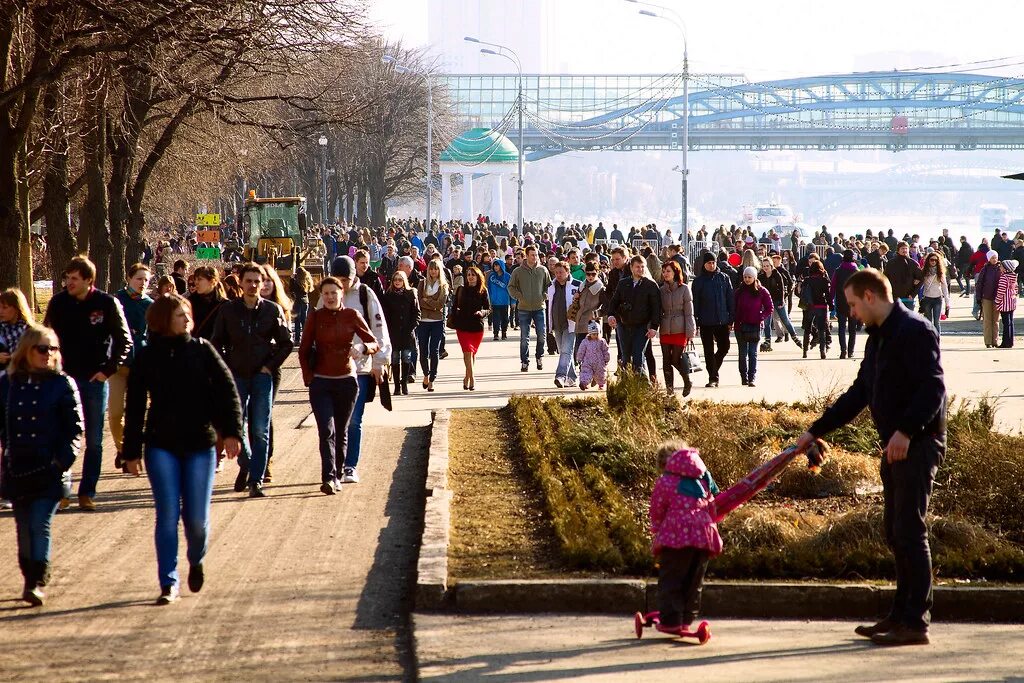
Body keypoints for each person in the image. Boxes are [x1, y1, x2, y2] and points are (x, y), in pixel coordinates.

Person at [796, 268, 945, 646]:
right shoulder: (876, 340)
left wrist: (907, 431)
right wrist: (816, 429)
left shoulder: (915, 330)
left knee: (910, 530)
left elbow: (933, 388)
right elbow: (859, 393)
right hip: (894, 446)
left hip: (918, 443)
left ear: (870, 296)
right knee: (894, 532)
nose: (851, 313)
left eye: (852, 304)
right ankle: (899, 615)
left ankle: (916, 622)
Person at [122, 295, 244, 605]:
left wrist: (231, 432)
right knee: (166, 515)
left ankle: (196, 556)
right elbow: (135, 406)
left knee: (196, 521)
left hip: (200, 445)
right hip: (161, 445)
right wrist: (131, 451)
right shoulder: (147, 357)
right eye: (179, 315)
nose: (186, 320)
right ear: (163, 320)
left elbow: (227, 391)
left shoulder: (202, 350)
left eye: (187, 314)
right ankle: (168, 582)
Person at [0, 326, 83, 606]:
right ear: (27, 350)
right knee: (23, 527)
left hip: (50, 470)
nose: (49, 354)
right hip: (17, 468)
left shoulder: (63, 384)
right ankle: (28, 577)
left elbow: (75, 429)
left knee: (40, 522)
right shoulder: (8, 384)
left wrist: (62, 461)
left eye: (54, 349)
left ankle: (37, 579)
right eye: (43, 348)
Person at [44, 256, 132, 511]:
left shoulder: (106, 304)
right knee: (61, 435)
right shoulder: (59, 303)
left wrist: (108, 370)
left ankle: (87, 492)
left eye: (74, 279)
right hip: (62, 380)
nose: (68, 283)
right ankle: (62, 491)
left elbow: (124, 341)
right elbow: (46, 335)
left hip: (94, 380)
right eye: (67, 278)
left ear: (88, 280)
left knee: (93, 440)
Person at [209, 263, 293, 498]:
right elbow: (216, 341)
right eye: (249, 281)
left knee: (260, 428)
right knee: (236, 425)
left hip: (261, 376)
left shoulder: (272, 310)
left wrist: (269, 366)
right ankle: (246, 462)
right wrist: (226, 365)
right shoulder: (228, 310)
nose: (254, 285)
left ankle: (256, 480)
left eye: (258, 281)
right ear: (241, 282)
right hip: (236, 375)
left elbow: (286, 344)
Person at [299, 277, 378, 495]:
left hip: (346, 381)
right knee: (326, 430)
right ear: (321, 296)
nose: (330, 297)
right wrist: (309, 377)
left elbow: (373, 342)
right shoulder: (315, 317)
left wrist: (362, 348)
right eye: (326, 294)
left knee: (342, 431)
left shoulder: (352, 315)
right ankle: (328, 478)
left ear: (341, 293)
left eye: (334, 293)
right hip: (321, 382)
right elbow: (304, 349)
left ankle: (338, 473)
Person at [649, 441, 722, 632]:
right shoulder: (703, 477)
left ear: (665, 464)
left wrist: (657, 529)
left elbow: (657, 508)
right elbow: (714, 499)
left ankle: (671, 620)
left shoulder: (665, 481)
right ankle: (687, 619)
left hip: (676, 535)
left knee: (671, 578)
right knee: (693, 580)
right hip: (704, 534)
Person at [110, 263, 154, 471]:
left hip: (142, 365)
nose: (143, 283)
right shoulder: (116, 301)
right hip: (118, 365)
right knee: (116, 413)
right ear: (129, 278)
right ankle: (122, 449)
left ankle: (132, 452)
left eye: (146, 280)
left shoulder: (150, 304)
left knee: (138, 413)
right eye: (139, 279)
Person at [607, 255, 662, 375]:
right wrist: (611, 315)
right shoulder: (623, 283)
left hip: (642, 326)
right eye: (637, 267)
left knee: (638, 355)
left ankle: (642, 385)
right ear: (631, 267)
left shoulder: (651, 285)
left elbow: (656, 308)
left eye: (642, 267)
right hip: (624, 324)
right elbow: (614, 302)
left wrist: (654, 327)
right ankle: (627, 384)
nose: (640, 269)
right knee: (626, 357)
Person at [691, 252, 734, 388]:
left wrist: (731, 319)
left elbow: (730, 299)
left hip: (722, 320)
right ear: (704, 264)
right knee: (708, 350)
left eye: (713, 262)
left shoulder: (724, 278)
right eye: (709, 263)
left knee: (725, 347)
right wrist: (695, 322)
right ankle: (713, 377)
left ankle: (713, 366)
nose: (712, 265)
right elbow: (695, 303)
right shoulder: (699, 281)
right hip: (705, 321)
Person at [507, 245, 552, 373]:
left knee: (541, 335)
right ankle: (524, 361)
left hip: (539, 307)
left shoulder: (543, 270)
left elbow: (548, 286)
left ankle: (539, 356)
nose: (535, 257)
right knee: (524, 337)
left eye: (536, 254)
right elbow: (511, 287)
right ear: (526, 256)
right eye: (532, 255)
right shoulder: (518, 271)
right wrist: (519, 297)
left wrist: (544, 295)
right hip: (524, 309)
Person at [449, 266, 490, 391]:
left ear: (478, 277)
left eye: (473, 275)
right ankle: (472, 378)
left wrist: (481, 312)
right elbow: (454, 305)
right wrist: (456, 313)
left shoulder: (483, 291)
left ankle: (466, 377)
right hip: (462, 325)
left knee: (472, 353)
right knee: (467, 351)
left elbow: (488, 308)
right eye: (468, 275)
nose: (470, 277)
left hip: (476, 326)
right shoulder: (461, 289)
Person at [732, 267, 774, 387]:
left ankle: (752, 377)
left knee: (752, 353)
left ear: (754, 278)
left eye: (749, 277)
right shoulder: (739, 291)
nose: (747, 279)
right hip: (740, 326)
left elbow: (769, 307)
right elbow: (733, 308)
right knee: (742, 353)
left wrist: (761, 316)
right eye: (745, 277)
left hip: (755, 326)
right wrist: (733, 321)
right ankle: (743, 377)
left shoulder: (762, 291)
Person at [659, 261, 695, 396]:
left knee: (675, 359)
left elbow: (689, 312)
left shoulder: (684, 289)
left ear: (675, 272)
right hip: (665, 327)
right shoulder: (661, 290)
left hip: (680, 328)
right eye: (664, 271)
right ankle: (669, 391)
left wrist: (690, 331)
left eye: (668, 271)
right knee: (666, 360)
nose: (665, 274)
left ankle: (687, 381)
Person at [381, 271, 420, 395]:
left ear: (404, 281)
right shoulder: (388, 295)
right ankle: (397, 385)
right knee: (395, 357)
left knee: (406, 356)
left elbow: (416, 313)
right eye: (395, 279)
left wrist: (412, 327)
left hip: (407, 331)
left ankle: (404, 384)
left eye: (400, 279)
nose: (397, 282)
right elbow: (385, 315)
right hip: (394, 332)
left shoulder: (410, 294)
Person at [546, 261, 581, 388]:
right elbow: (549, 306)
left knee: (566, 351)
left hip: (570, 324)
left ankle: (560, 376)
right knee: (564, 352)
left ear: (567, 272)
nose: (558, 275)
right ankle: (571, 378)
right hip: (557, 324)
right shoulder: (551, 286)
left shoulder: (577, 285)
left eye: (561, 272)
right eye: (556, 272)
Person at [416, 260, 449, 392]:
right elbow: (418, 301)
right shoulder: (422, 283)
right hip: (423, 321)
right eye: (431, 269)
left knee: (434, 350)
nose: (433, 271)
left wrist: (427, 301)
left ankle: (432, 379)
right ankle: (426, 374)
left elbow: (440, 304)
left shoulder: (443, 286)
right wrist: (431, 303)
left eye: (436, 269)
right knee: (423, 350)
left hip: (437, 321)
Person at [759, 260, 800, 352]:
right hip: (766, 303)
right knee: (767, 323)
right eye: (764, 266)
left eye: (767, 266)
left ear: (771, 265)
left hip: (777, 301)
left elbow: (782, 288)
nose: (765, 267)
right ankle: (768, 341)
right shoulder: (761, 277)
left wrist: (782, 300)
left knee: (785, 319)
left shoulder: (777, 275)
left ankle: (794, 336)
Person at [831, 250, 861, 359]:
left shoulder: (838, 271)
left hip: (841, 302)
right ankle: (851, 351)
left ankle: (843, 350)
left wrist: (831, 301)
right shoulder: (856, 271)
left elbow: (833, 286)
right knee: (852, 329)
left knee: (841, 328)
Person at [800, 260, 832, 359]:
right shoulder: (824, 280)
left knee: (807, 329)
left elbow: (803, 294)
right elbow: (828, 294)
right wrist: (831, 305)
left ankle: (805, 351)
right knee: (822, 330)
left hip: (810, 307)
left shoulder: (807, 280)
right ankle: (822, 351)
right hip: (821, 306)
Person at [918, 252, 950, 337]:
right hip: (927, 298)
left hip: (937, 298)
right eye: (932, 260)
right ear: (928, 260)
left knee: (936, 321)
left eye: (936, 260)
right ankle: (928, 339)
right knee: (928, 321)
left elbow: (945, 287)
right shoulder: (924, 272)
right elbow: (919, 283)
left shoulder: (940, 273)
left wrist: (947, 302)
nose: (933, 262)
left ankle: (937, 340)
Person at [975, 251, 1002, 348]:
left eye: (995, 257)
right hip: (986, 297)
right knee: (987, 320)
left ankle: (995, 341)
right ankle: (988, 341)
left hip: (997, 298)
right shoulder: (985, 269)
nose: (994, 260)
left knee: (996, 320)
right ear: (989, 259)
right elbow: (979, 284)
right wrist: (978, 297)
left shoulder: (1001, 269)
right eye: (992, 258)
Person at [575, 320, 610, 390]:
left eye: (597, 334)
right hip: (588, 361)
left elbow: (605, 350)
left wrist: (606, 358)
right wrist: (579, 358)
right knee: (586, 372)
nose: (595, 336)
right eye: (593, 334)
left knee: (601, 374)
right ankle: (584, 383)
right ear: (589, 334)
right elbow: (581, 350)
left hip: (599, 362)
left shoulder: (601, 341)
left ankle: (601, 384)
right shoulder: (585, 342)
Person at [995, 258, 1018, 349]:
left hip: (1004, 303)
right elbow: (1016, 290)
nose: (1000, 267)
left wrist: (997, 301)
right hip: (1011, 302)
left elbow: (1001, 291)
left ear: (1005, 268)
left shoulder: (1004, 278)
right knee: (1011, 322)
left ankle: (1005, 342)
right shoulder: (1014, 277)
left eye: (1001, 266)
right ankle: (1010, 341)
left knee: (1006, 323)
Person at [486, 260, 511, 341]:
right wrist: (488, 300)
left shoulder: (507, 276)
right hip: (494, 302)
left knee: (505, 319)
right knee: (495, 318)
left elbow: (511, 289)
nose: (495, 267)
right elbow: (489, 288)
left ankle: (504, 332)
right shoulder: (491, 276)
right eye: (494, 266)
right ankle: (496, 333)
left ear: (501, 266)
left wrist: (513, 301)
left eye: (497, 265)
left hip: (504, 301)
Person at [290, 266, 314, 344]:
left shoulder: (296, 281)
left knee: (297, 321)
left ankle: (297, 339)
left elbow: (291, 289)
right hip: (305, 302)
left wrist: (291, 279)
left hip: (297, 302)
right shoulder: (307, 280)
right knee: (304, 321)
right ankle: (306, 338)